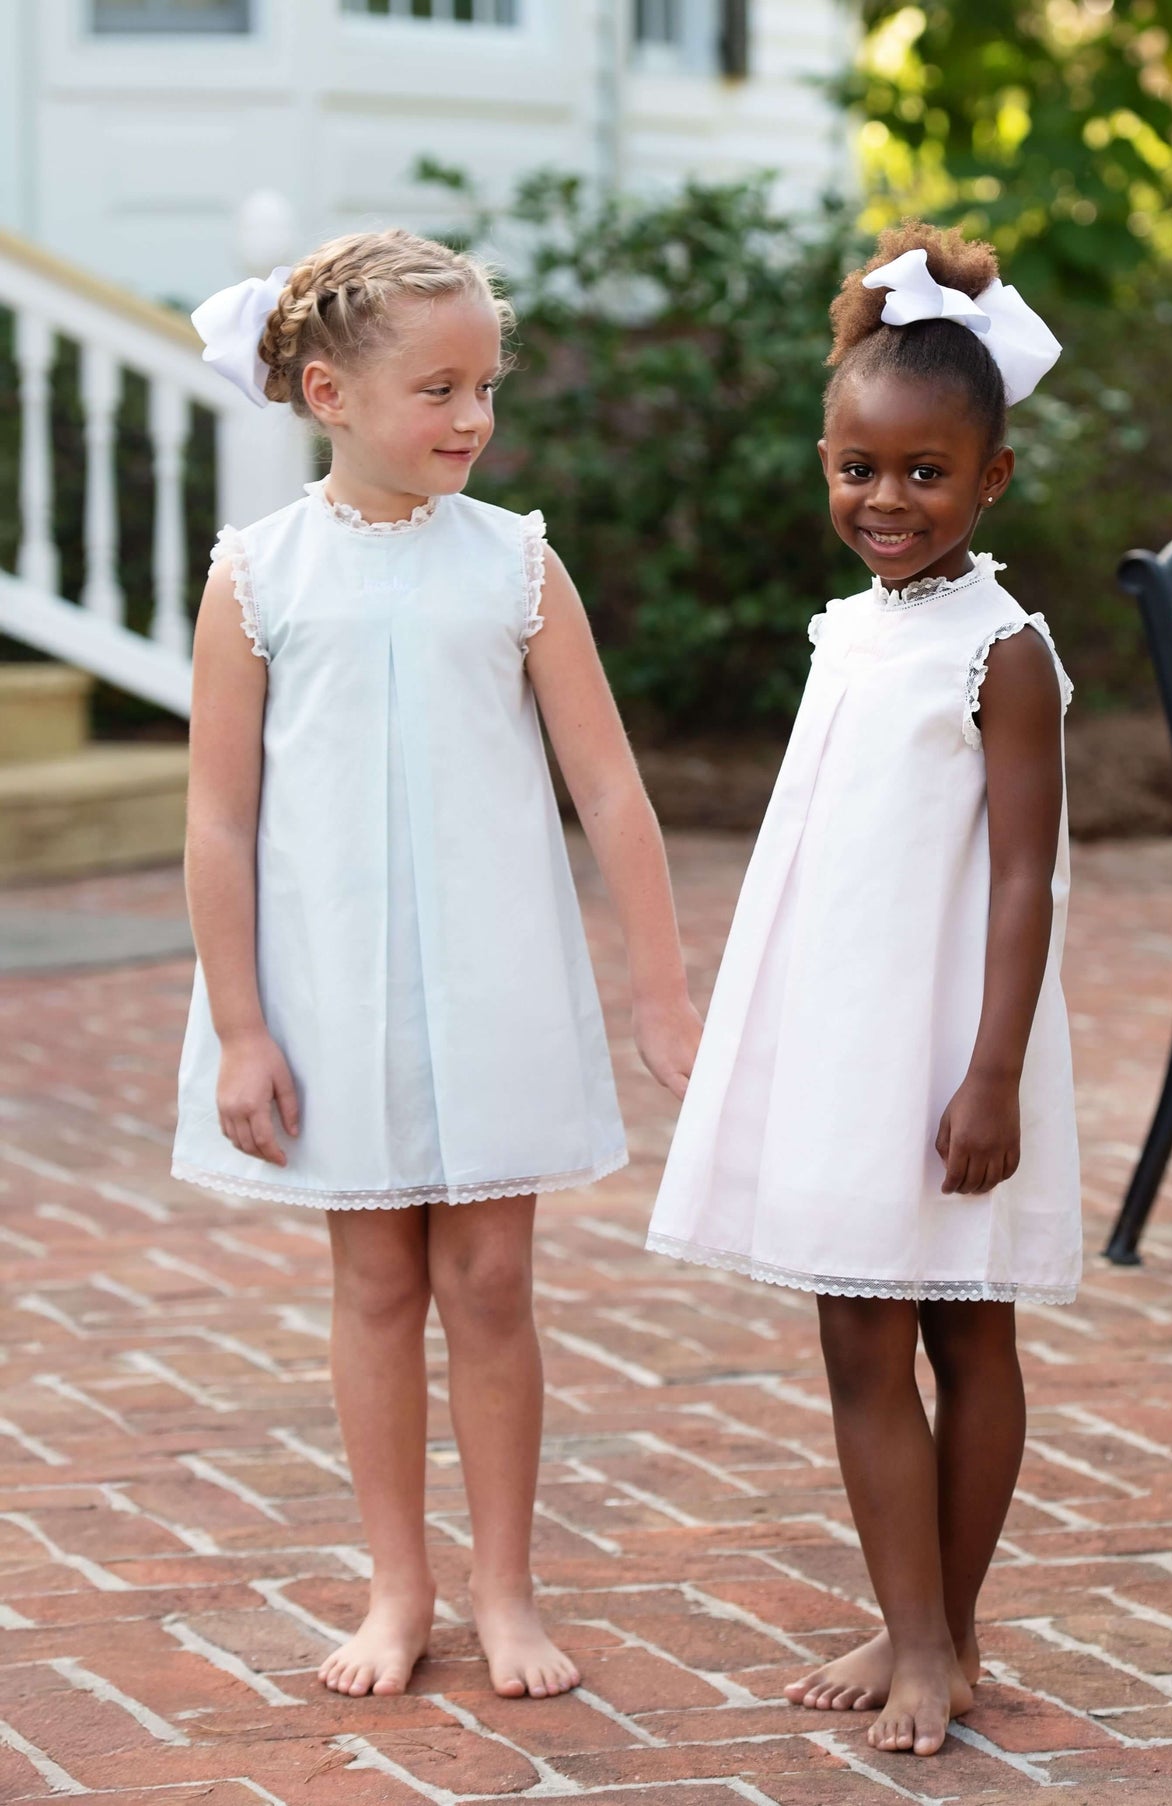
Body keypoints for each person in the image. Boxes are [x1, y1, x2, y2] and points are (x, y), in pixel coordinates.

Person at [173, 229, 701, 1701]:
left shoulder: (517, 562)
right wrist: (239, 1028)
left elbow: (610, 793)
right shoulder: (257, 574)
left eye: (486, 387)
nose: (471, 417)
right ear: (329, 391)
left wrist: (660, 996)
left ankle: (504, 1588)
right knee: (374, 1286)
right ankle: (395, 1588)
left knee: (489, 1277)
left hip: (494, 977)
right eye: (438, 388)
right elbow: (219, 816)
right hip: (331, 986)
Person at [646, 222, 1080, 1757]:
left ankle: (943, 1637)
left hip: (954, 1044)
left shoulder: (1002, 649)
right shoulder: (850, 630)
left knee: (969, 1335)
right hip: (842, 1029)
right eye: (855, 469)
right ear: (823, 460)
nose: (883, 502)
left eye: (922, 474)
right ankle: (914, 1624)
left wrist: (990, 1071)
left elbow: (1025, 876)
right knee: (854, 1339)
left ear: (990, 480)